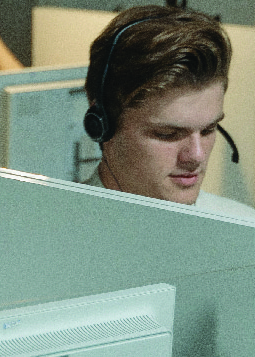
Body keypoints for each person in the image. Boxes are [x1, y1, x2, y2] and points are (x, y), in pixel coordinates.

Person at [82, 5, 255, 220]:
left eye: (208, 130)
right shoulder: (43, 238)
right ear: (101, 125)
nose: (196, 156)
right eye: (168, 134)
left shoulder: (245, 230)